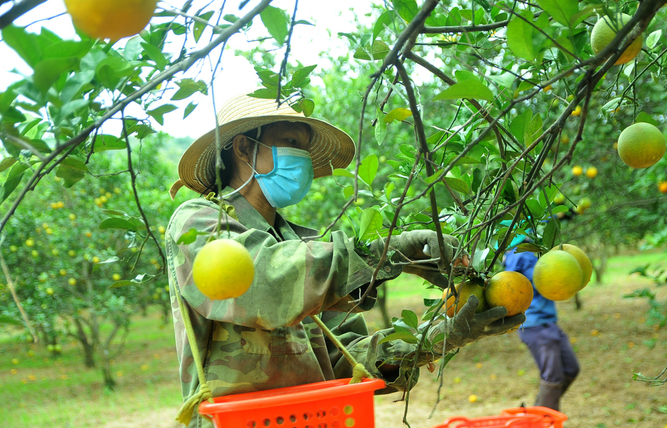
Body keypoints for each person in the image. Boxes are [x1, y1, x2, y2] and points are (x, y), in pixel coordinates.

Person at [166, 93, 526, 427]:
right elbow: (265, 284)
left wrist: (437, 337)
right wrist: (392, 252)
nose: (303, 159)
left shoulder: (301, 245)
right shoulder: (198, 224)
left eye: (306, 149)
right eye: (292, 142)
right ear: (245, 147)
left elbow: (346, 360)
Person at [503, 235, 580, 412]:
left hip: (547, 322)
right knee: (553, 376)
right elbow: (541, 282)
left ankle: (536, 412)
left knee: (570, 369)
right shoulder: (521, 254)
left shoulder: (530, 253)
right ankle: (542, 420)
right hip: (534, 324)